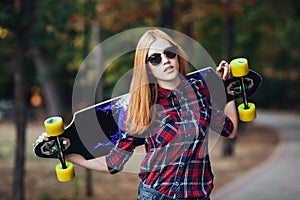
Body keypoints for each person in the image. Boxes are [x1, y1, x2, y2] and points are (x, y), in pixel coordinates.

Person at [36, 29, 238, 200]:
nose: (165, 61)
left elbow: (230, 130)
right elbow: (113, 164)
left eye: (169, 53)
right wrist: (66, 153)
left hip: (199, 194)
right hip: (158, 194)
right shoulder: (141, 108)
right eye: (155, 58)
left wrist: (228, 89)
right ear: (147, 67)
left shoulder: (199, 91)